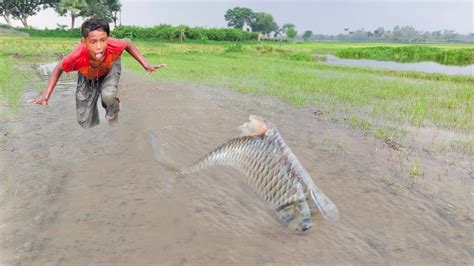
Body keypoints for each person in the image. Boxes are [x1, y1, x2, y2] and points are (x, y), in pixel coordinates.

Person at [28, 17, 166, 128]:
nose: (99, 46)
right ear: (84, 42)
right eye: (93, 42)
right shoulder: (76, 57)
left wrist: (146, 65)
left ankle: (113, 108)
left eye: (103, 40)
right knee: (85, 121)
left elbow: (127, 42)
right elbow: (58, 68)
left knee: (108, 96)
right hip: (87, 73)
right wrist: (45, 96)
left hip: (111, 66)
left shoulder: (114, 45)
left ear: (108, 38)